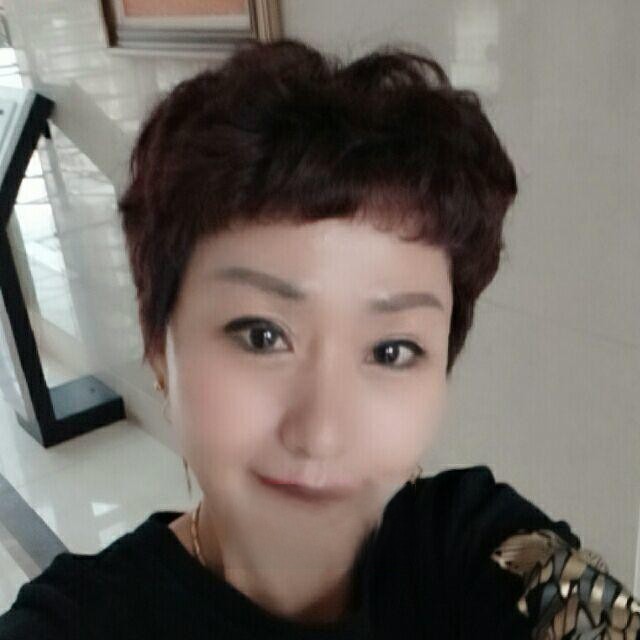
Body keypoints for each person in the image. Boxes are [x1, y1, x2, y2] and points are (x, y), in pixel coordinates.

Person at [1, 37, 638, 640]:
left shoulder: (475, 540)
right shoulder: (84, 620)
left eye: (391, 351)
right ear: (157, 346)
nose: (323, 432)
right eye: (262, 336)